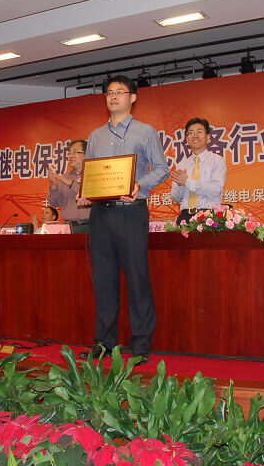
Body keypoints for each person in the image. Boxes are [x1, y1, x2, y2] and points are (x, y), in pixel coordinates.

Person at [76, 75, 170, 365]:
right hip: (101, 215)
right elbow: (91, 174)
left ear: (133, 98)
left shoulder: (145, 132)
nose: (113, 96)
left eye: (119, 92)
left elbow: (162, 169)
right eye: (109, 93)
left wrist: (139, 185)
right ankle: (104, 343)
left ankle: (141, 344)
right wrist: (84, 191)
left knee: (137, 278)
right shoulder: (95, 136)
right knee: (103, 281)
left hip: (131, 212)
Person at [170, 117, 227, 225]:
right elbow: (176, 198)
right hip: (185, 217)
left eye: (199, 132)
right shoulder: (182, 165)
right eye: (191, 133)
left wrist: (187, 181)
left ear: (208, 137)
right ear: (187, 139)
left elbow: (216, 189)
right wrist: (181, 185)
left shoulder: (217, 160)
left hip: (208, 217)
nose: (195, 135)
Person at [47, 139, 90, 233]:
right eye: (69, 153)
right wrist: (53, 185)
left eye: (75, 152)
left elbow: (89, 194)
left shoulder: (93, 174)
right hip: (68, 226)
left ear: (86, 155)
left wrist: (70, 183)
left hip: (90, 226)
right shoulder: (64, 177)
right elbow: (55, 203)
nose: (71, 156)